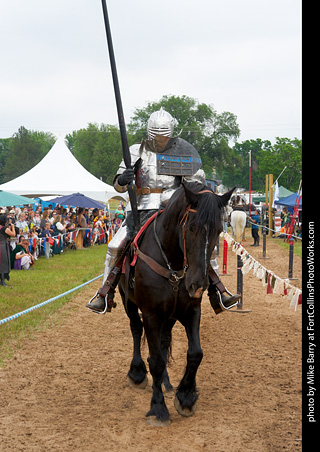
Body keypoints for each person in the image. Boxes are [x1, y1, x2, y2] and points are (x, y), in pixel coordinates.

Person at [87, 107, 240, 314]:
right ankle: (106, 293)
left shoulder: (181, 153)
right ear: (149, 132)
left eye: (164, 135)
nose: (160, 139)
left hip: (173, 208)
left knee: (201, 243)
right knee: (115, 245)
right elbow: (119, 184)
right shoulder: (134, 151)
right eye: (156, 135)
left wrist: (194, 179)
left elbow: (194, 181)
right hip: (141, 207)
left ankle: (217, 290)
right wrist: (123, 180)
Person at [0, 214, 16, 286]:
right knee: (3, 263)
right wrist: (12, 227)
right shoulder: (4, 229)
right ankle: (2, 281)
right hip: (2, 246)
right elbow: (13, 234)